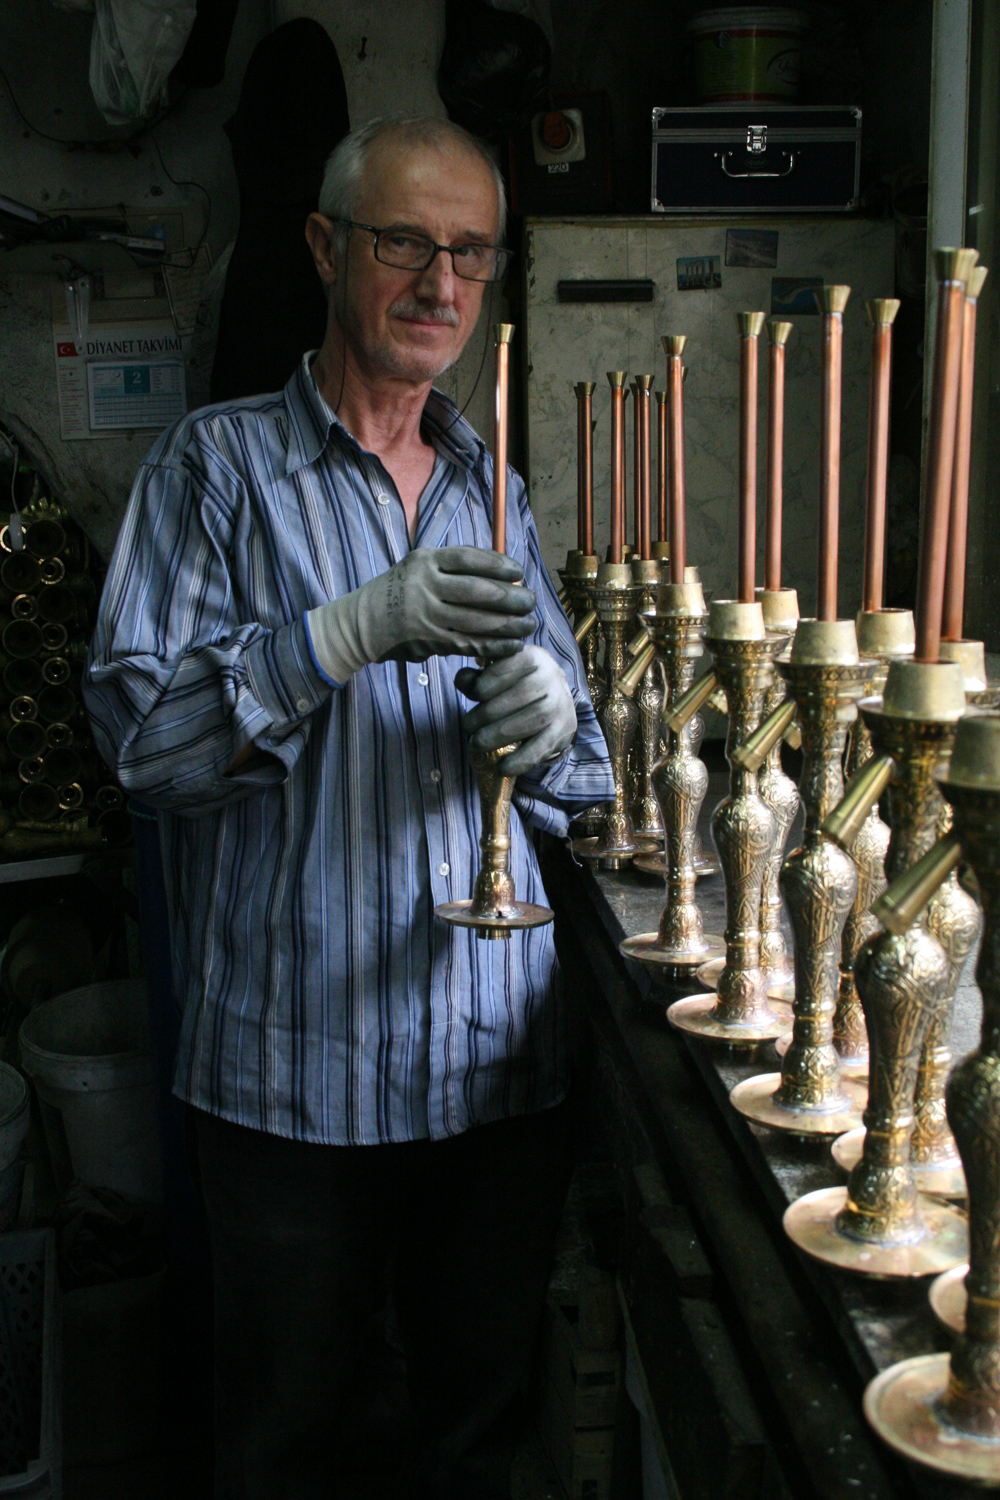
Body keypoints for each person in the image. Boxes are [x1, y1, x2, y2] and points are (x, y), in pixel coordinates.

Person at [83, 115, 614, 1500]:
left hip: (492, 1070)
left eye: (472, 253)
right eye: (405, 243)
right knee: (282, 1450)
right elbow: (142, 750)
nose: (442, 283)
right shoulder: (212, 470)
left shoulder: (496, 489)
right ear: (325, 249)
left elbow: (590, 785)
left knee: (476, 1439)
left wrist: (558, 724)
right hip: (292, 1078)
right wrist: (341, 633)